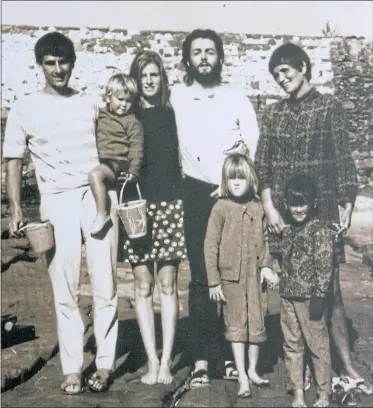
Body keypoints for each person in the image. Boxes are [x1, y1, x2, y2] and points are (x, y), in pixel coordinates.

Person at [3, 32, 118, 395]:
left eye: (63, 62)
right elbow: (13, 161)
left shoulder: (89, 104)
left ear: (72, 63)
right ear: (40, 66)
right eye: (50, 63)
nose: (58, 69)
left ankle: (104, 363)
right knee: (64, 289)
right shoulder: (24, 107)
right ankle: (72, 367)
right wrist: (17, 208)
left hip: (95, 197)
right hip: (55, 200)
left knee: (106, 284)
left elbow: (114, 144)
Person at [254, 42, 373, 395]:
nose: (282, 79)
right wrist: (270, 209)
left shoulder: (329, 108)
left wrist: (346, 201)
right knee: (291, 295)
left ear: (303, 67)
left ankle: (346, 366)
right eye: (276, 75)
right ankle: (303, 368)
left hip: (319, 215)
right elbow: (262, 167)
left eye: (286, 71)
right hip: (284, 217)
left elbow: (342, 158)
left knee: (328, 291)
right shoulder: (273, 114)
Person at [170, 28, 261, 387]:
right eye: (197, 52)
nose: (204, 57)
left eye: (210, 51)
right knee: (200, 277)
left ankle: (231, 353)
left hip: (232, 194)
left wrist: (231, 180)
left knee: (235, 275)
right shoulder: (176, 96)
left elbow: (251, 141)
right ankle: (202, 359)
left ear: (220, 57)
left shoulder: (236, 98)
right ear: (188, 59)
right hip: (194, 193)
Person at [120, 50, 187, 385]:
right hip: (136, 207)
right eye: (143, 75)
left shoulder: (171, 114)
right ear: (135, 79)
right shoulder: (126, 118)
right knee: (142, 285)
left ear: (161, 78)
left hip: (170, 204)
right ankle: (151, 359)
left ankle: (167, 364)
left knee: (168, 284)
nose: (149, 81)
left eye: (154, 75)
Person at [205, 154, 279, 398]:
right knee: (236, 325)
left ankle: (253, 369)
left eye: (241, 178)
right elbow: (210, 246)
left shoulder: (258, 208)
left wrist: (267, 266)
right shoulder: (220, 208)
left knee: (256, 323)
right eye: (231, 178)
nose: (236, 182)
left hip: (254, 277)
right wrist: (214, 280)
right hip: (231, 279)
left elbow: (266, 240)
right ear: (225, 181)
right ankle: (242, 376)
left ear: (251, 179)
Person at [273, 174, 334, 408]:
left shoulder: (319, 230)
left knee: (317, 346)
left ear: (313, 204)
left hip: (310, 300)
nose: (298, 209)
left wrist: (320, 294)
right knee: (292, 346)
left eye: (303, 203)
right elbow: (282, 261)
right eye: (294, 204)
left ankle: (324, 393)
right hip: (288, 297)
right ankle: (298, 392)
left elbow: (325, 265)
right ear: (287, 205)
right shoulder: (287, 232)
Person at [88, 73, 144, 236]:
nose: (124, 105)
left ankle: (102, 214)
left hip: (118, 163)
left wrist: (133, 170)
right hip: (105, 161)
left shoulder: (132, 122)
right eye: (120, 99)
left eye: (128, 101)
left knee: (95, 175)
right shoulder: (102, 114)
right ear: (108, 97)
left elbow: (136, 147)